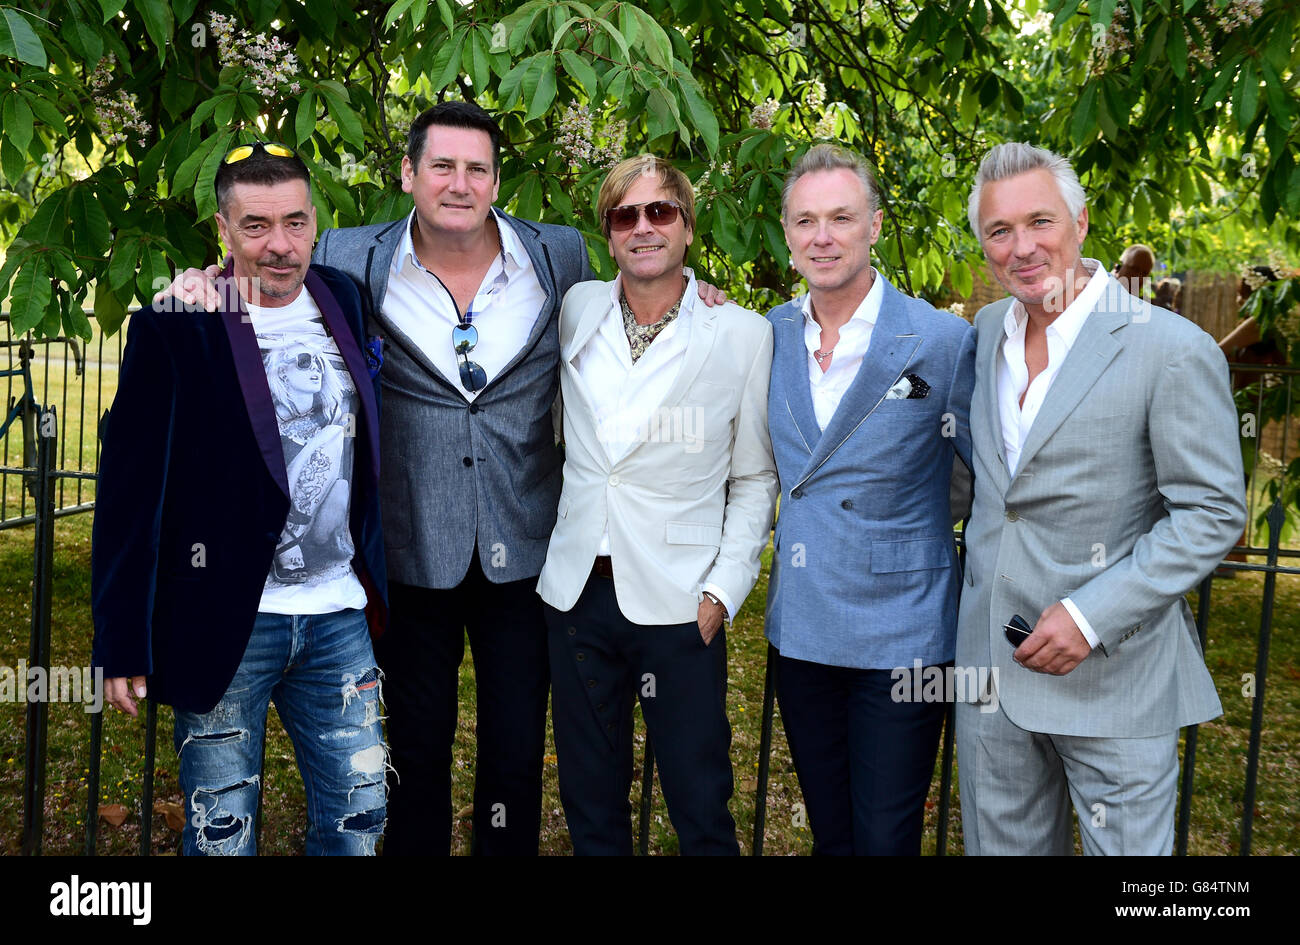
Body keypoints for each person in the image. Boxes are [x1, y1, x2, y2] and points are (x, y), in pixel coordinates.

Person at [158, 102, 726, 855]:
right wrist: (204, 285)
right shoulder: (350, 255)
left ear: (496, 179)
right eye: (443, 166)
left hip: (526, 553)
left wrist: (700, 298)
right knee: (413, 758)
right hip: (409, 549)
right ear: (409, 174)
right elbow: (270, 273)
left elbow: (635, 304)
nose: (460, 183)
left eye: (477, 169)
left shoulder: (558, 256)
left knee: (515, 758)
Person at [92, 142, 388, 855]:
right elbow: (129, 493)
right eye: (255, 226)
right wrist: (121, 639)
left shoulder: (344, 297)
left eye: (294, 222)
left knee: (360, 821)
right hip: (227, 622)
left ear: (316, 220)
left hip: (337, 618)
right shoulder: (177, 321)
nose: (279, 245)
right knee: (219, 836)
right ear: (222, 230)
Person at [956, 141, 1245, 855]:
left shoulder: (1170, 349)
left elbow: (1211, 513)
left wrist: (1091, 616)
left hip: (1114, 678)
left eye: (1040, 222)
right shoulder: (986, 332)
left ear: (1081, 223)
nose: (1021, 247)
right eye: (999, 231)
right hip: (991, 677)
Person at [537, 156, 778, 855]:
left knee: (700, 803)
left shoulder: (741, 333)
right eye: (626, 215)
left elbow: (753, 478)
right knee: (590, 800)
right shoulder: (576, 309)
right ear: (609, 236)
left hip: (681, 603)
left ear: (688, 227)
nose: (644, 227)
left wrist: (724, 590)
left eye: (661, 212)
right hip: (577, 593)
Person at [762, 143, 975, 855]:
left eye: (841, 218)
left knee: (886, 835)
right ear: (787, 235)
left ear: (875, 225)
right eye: (805, 221)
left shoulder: (942, 340)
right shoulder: (767, 335)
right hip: (805, 624)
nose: (822, 236)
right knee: (831, 830)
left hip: (905, 630)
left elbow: (982, 475)